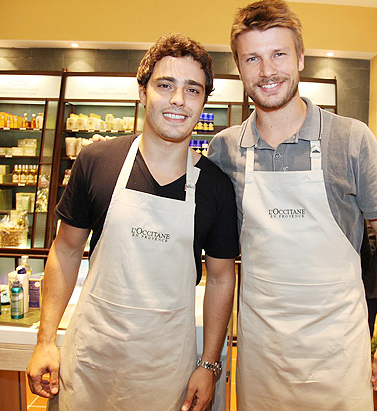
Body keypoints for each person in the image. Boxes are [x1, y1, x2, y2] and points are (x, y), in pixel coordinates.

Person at [208, 0, 377, 410]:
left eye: (279, 54)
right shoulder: (225, 151)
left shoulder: (351, 140)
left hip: (337, 357)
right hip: (262, 358)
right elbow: (216, 259)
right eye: (253, 59)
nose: (267, 72)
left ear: (300, 57)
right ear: (239, 67)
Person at [26, 33, 239, 411]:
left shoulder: (215, 186)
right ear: (143, 92)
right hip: (91, 360)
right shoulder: (96, 161)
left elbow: (222, 276)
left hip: (167, 370)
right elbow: (67, 248)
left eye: (193, 89)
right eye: (165, 85)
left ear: (204, 100)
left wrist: (208, 363)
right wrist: (45, 341)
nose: (178, 100)